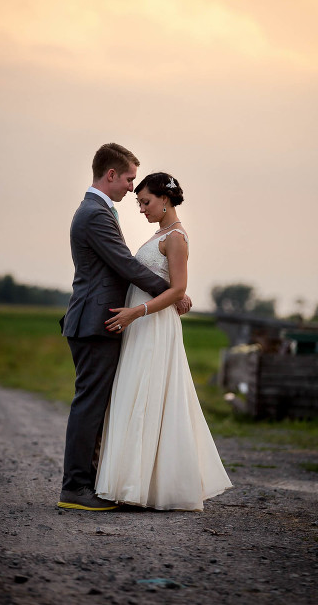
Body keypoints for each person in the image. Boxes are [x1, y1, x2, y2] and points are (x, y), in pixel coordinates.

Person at [58, 144, 191, 511]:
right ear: (111, 175)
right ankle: (75, 488)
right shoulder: (95, 213)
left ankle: (94, 482)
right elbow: (124, 264)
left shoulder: (98, 211)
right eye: (130, 178)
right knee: (90, 405)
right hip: (95, 321)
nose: (133, 188)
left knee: (97, 405)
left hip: (99, 320)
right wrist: (174, 293)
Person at [95, 172, 232, 511]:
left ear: (165, 199)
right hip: (142, 325)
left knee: (148, 396)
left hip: (153, 325)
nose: (141, 208)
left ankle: (139, 487)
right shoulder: (158, 235)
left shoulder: (176, 238)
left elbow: (178, 288)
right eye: (139, 202)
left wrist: (135, 312)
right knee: (133, 394)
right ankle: (131, 484)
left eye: (145, 202)